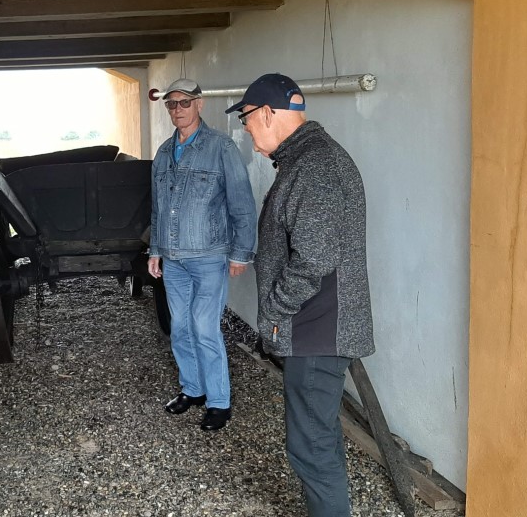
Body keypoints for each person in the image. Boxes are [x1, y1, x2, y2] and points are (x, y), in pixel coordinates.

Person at [227, 73, 374, 516]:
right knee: (317, 439)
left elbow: (313, 259)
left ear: (267, 113)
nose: (247, 133)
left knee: (311, 446)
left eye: (247, 121)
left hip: (316, 329)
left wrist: (274, 311)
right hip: (316, 327)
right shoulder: (307, 159)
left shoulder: (315, 166)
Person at [147, 78, 257, 431]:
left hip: (209, 256)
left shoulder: (221, 147)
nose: (177, 109)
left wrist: (241, 253)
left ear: (199, 104)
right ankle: (192, 389)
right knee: (180, 327)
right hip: (173, 258)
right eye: (171, 104)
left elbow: (242, 203)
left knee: (204, 327)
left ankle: (219, 401)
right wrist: (155, 250)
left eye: (184, 102)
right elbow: (157, 208)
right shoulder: (164, 152)